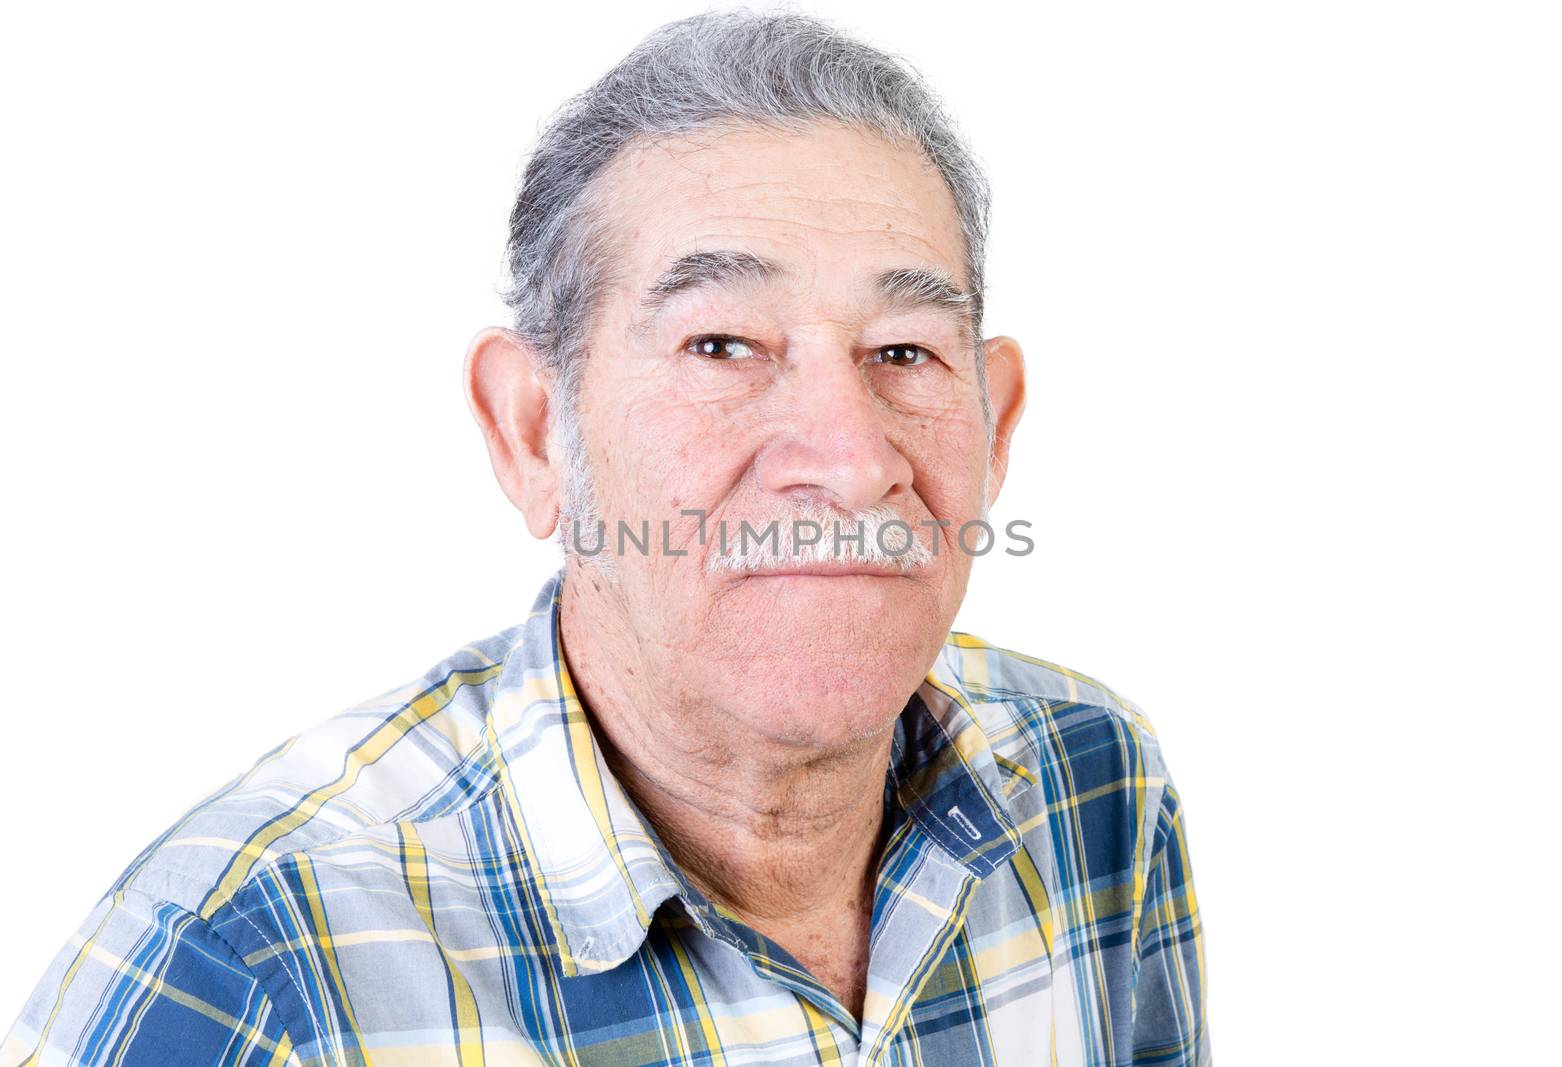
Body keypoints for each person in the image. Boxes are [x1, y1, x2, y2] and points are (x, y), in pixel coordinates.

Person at [3, 10, 1208, 1066]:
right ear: (534, 432)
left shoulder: (1090, 787)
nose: (847, 459)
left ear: (993, 427)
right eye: (721, 345)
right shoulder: (252, 966)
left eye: (903, 351)